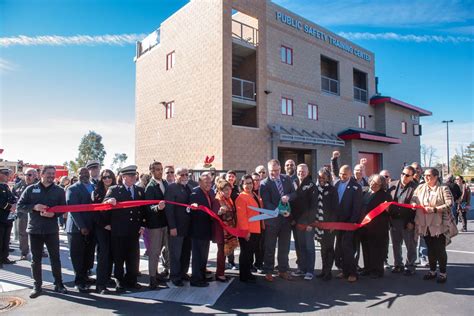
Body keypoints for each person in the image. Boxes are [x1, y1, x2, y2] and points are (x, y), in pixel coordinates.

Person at [17, 165, 68, 298]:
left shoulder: (59, 190)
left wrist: (54, 214)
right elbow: (20, 206)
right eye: (49, 173)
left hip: (51, 230)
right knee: (36, 260)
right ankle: (37, 286)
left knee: (55, 258)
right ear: (42, 174)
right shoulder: (31, 189)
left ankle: (59, 284)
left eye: (53, 174)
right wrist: (34, 206)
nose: (51, 176)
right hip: (35, 230)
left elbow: (63, 208)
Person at [103, 165, 146, 292]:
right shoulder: (115, 189)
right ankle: (119, 281)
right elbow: (104, 205)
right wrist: (109, 201)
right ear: (123, 177)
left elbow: (143, 209)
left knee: (133, 257)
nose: (133, 177)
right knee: (119, 257)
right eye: (130, 175)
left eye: (134, 175)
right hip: (119, 229)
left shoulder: (139, 190)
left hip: (134, 230)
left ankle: (131, 280)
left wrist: (143, 225)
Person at [412, 168, 454, 283]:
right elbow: (413, 199)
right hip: (424, 224)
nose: (426, 177)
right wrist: (414, 203)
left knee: (439, 249)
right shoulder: (420, 187)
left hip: (438, 225)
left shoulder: (443, 188)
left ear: (436, 177)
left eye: (429, 175)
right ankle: (432, 271)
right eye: (424, 175)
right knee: (430, 248)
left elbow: (450, 204)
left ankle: (443, 273)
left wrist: (434, 209)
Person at [260, 159, 297, 282]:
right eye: (272, 171)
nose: (274, 173)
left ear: (280, 169)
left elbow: (294, 194)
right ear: (268, 170)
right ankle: (269, 271)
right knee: (270, 247)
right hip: (272, 221)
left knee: (284, 247)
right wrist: (280, 210)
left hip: (286, 221)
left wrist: (288, 197)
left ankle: (283, 270)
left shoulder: (287, 179)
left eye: (276, 170)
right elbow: (266, 203)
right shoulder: (264, 183)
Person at [65, 167, 96, 293]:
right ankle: (79, 281)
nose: (84, 175)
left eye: (86, 172)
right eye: (81, 173)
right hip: (77, 229)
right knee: (77, 256)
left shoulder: (93, 187)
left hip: (91, 227)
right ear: (77, 175)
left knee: (88, 254)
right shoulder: (72, 189)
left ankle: (86, 277)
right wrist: (82, 226)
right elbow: (73, 209)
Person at [333, 164, 362, 283]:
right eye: (340, 173)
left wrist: (352, 223)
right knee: (340, 247)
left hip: (349, 223)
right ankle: (344, 271)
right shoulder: (336, 184)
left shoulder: (356, 187)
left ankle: (353, 273)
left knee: (348, 248)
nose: (342, 176)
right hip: (338, 222)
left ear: (350, 174)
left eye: (344, 174)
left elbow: (357, 207)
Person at [359, 175, 392, 278]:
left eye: (377, 184)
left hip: (378, 228)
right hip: (365, 227)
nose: (373, 185)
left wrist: (388, 209)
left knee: (377, 250)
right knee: (366, 248)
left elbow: (391, 211)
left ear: (381, 185)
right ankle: (367, 268)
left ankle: (377, 270)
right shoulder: (366, 192)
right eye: (373, 182)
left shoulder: (385, 196)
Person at [388, 166, 418, 275]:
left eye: (407, 175)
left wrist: (412, 222)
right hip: (394, 220)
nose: (404, 176)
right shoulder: (392, 185)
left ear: (412, 177)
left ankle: (410, 266)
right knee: (396, 244)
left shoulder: (415, 188)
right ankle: (398, 265)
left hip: (408, 221)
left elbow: (418, 207)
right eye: (403, 173)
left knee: (410, 245)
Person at [164, 167, 192, 287]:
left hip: (188, 227)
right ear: (176, 176)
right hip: (176, 227)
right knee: (175, 253)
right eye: (181, 175)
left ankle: (183, 273)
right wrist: (172, 227)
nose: (184, 177)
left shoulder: (189, 188)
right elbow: (169, 210)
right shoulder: (171, 188)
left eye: (186, 174)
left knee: (186, 252)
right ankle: (175, 276)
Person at [91, 169, 116, 294]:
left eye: (109, 177)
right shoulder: (96, 192)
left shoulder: (117, 190)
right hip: (101, 228)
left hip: (114, 227)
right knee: (103, 255)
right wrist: (104, 225)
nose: (107, 179)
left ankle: (107, 277)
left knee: (111, 254)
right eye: (104, 177)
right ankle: (100, 284)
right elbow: (94, 212)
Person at [291, 164, 318, 280]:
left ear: (307, 172)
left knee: (309, 247)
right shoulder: (294, 183)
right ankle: (301, 269)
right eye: (299, 171)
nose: (301, 173)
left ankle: (310, 271)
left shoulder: (311, 185)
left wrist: (310, 223)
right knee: (300, 246)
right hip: (297, 222)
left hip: (307, 223)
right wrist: (292, 219)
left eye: (303, 171)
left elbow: (314, 206)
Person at [144, 161, 168, 289]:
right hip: (154, 225)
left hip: (165, 223)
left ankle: (157, 274)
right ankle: (152, 279)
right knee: (154, 252)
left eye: (161, 169)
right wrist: (157, 208)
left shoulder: (164, 183)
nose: (160, 171)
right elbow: (148, 207)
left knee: (163, 250)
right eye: (157, 169)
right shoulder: (150, 187)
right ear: (152, 171)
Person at [189, 172, 214, 287]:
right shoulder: (195, 193)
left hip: (207, 230)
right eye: (206, 182)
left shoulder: (209, 193)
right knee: (198, 256)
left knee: (204, 256)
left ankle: (202, 276)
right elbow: (190, 210)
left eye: (210, 182)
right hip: (198, 230)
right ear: (200, 182)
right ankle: (196, 279)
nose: (209, 184)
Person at [235, 174, 262, 283]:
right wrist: (246, 232)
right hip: (248, 231)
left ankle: (248, 273)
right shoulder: (241, 197)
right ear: (242, 185)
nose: (249, 185)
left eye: (250, 183)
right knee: (245, 253)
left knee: (249, 254)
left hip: (256, 229)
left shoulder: (253, 194)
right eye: (246, 183)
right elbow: (242, 217)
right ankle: (244, 275)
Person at [211, 179, 238, 282]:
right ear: (220, 190)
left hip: (228, 230)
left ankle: (222, 271)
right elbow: (213, 216)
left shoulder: (229, 199)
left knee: (225, 252)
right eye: (225, 190)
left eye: (229, 189)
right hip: (221, 231)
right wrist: (219, 212)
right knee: (221, 253)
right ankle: (219, 274)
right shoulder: (217, 200)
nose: (228, 191)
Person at [315, 167, 339, 281]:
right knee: (323, 249)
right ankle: (324, 270)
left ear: (328, 177)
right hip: (320, 225)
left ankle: (328, 272)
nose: (321, 179)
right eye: (319, 177)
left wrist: (333, 224)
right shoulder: (316, 189)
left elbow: (335, 208)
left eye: (323, 177)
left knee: (329, 248)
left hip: (329, 225)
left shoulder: (332, 190)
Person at [12, 168, 38, 260]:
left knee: (37, 233)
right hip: (22, 213)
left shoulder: (39, 186)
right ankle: (24, 252)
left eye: (30, 175)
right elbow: (13, 197)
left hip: (36, 214)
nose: (27, 177)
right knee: (22, 233)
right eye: (26, 175)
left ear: (35, 176)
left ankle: (39, 251)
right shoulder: (18, 185)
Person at [0, 167, 17, 268]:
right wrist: (11, 207)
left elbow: (12, 197)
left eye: (8, 174)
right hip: (1, 218)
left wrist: (14, 204)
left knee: (6, 239)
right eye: (5, 174)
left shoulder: (5, 186)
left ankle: (4, 257)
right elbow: (1, 203)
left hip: (7, 218)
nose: (8, 176)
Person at [225, 170, 239, 269]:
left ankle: (231, 261)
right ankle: (227, 261)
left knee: (233, 239)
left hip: (235, 217)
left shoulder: (237, 188)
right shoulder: (222, 187)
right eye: (229, 176)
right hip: (225, 217)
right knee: (226, 240)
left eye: (233, 176)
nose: (231, 178)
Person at [251, 172, 265, 271]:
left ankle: (259, 263)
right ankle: (250, 264)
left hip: (262, 222)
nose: (256, 182)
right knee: (252, 246)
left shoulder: (263, 190)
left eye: (257, 180)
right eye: (254, 180)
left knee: (261, 245)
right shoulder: (248, 192)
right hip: (251, 223)